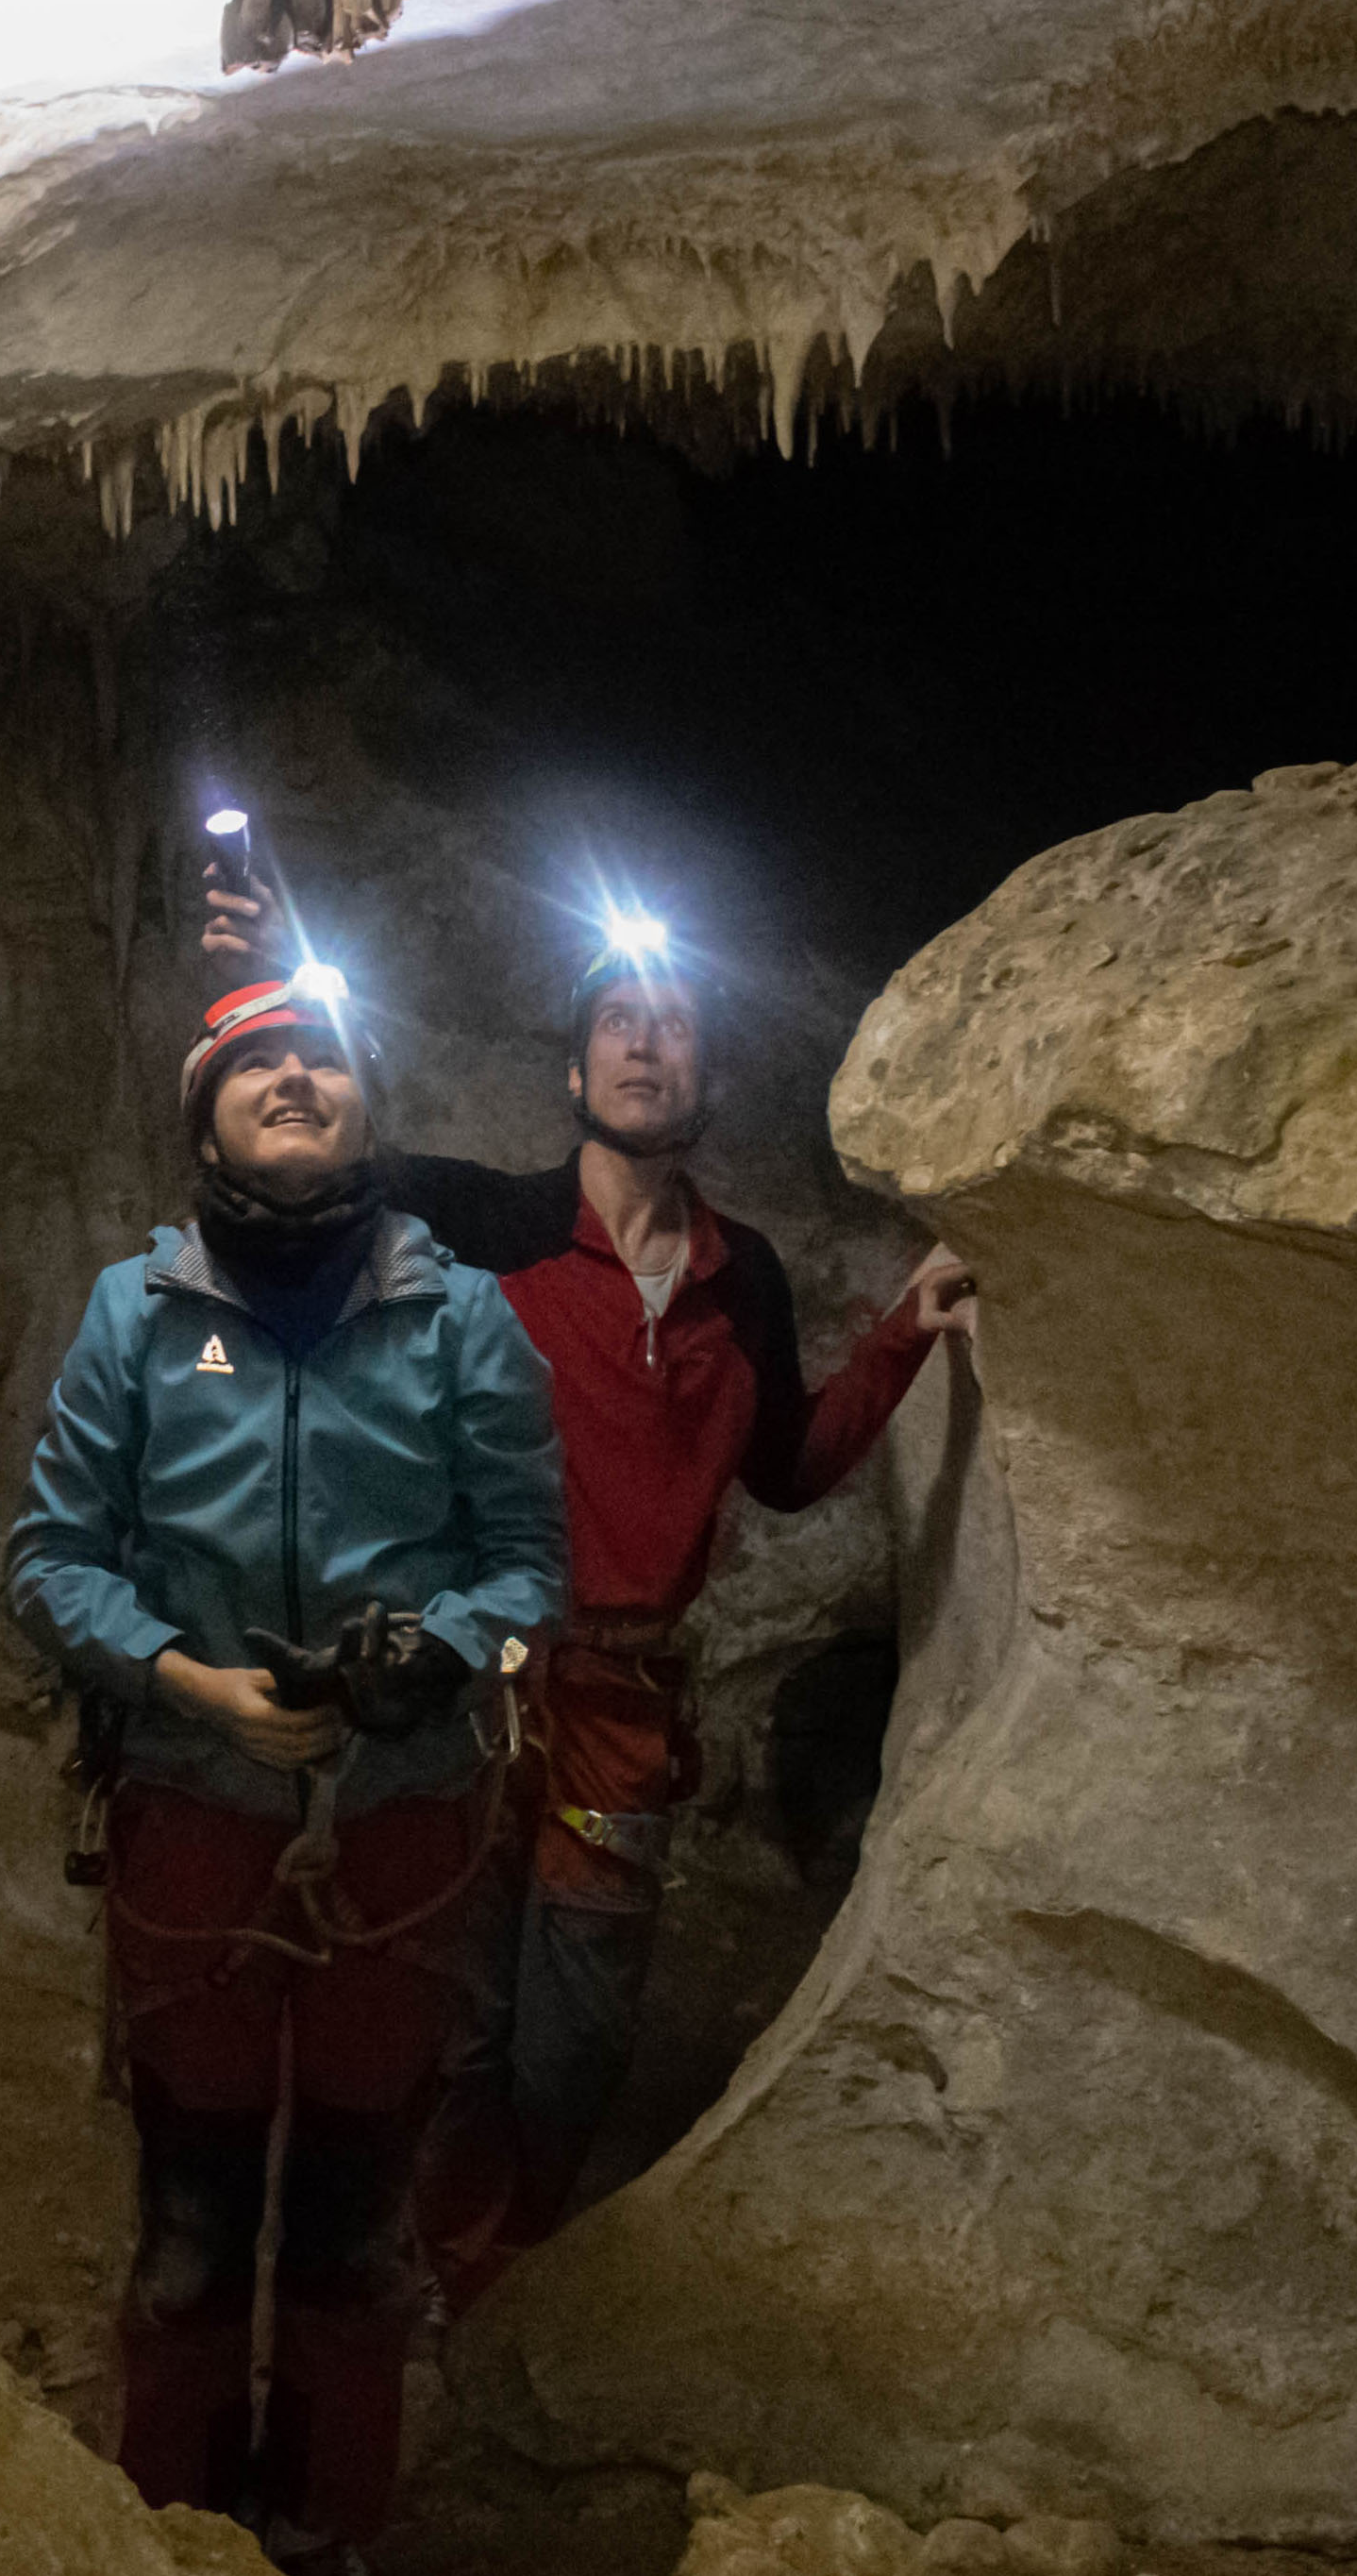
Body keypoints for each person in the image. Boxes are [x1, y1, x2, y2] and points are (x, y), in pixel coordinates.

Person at [206, 885, 970, 2304]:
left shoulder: (743, 1282)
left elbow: (790, 1468)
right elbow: (311, 1155)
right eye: (616, 1022)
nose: (644, 1043)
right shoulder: (485, 1225)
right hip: (465, 1686)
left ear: (705, 1078)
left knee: (578, 2029)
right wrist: (262, 980)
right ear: (574, 1072)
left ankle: (508, 2264)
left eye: (672, 1024)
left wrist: (902, 1339)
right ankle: (427, 2274)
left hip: (620, 1700)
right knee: (455, 2004)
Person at [6, 968, 565, 2576]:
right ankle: (171, 2531)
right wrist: (190, 1682)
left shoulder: (464, 1318)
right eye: (257, 1066)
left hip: (397, 1823)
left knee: (341, 2215)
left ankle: (323, 2535)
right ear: (204, 1117)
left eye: (322, 1060)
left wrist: (442, 1660)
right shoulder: (139, 1318)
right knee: (188, 2222)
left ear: (368, 1110)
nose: (296, 1081)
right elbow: (49, 1560)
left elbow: (531, 1557)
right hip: (199, 1817)